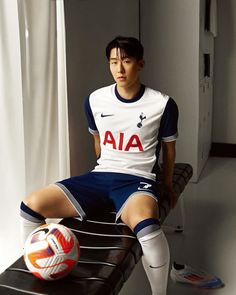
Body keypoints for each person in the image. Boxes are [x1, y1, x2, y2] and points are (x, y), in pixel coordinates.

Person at [20, 36, 179, 295]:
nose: (119, 69)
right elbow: (98, 144)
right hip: (101, 175)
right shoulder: (95, 100)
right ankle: (37, 268)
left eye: (126, 61)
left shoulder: (162, 103)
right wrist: (101, 175)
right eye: (113, 62)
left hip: (137, 179)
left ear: (140, 63)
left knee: (147, 226)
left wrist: (168, 185)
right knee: (31, 205)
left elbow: (170, 149)